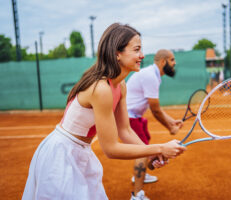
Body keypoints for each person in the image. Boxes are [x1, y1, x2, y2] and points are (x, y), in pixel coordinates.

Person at [22, 23, 186, 200]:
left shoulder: (120, 85)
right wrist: (159, 147)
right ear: (117, 53)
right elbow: (110, 148)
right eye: (136, 49)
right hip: (60, 155)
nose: (142, 55)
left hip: (80, 152)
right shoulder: (101, 89)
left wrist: (151, 152)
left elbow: (125, 130)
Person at [126, 49, 184, 200]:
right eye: (172, 60)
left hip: (135, 116)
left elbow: (156, 107)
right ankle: (136, 195)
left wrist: (172, 121)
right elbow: (155, 109)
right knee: (143, 151)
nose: (174, 63)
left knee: (145, 143)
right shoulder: (151, 76)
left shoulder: (154, 75)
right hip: (129, 117)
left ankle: (141, 176)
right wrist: (170, 127)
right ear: (163, 61)